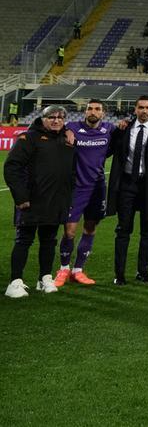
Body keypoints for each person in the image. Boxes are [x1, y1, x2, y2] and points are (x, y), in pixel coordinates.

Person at [5, 106, 76, 298]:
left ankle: (44, 278)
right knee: (24, 241)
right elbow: (11, 168)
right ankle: (15, 282)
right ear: (42, 118)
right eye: (51, 117)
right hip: (30, 202)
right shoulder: (28, 138)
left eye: (60, 118)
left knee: (49, 242)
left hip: (56, 201)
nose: (56, 120)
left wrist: (67, 199)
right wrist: (21, 198)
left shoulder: (67, 139)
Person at [107, 96, 148, 284]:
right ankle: (119, 275)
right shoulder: (123, 129)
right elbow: (111, 149)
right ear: (135, 109)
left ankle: (143, 272)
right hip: (127, 185)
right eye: (141, 107)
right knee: (123, 230)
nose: (144, 111)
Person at [53, 98, 111, 287]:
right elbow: (48, 125)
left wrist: (124, 124)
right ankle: (63, 268)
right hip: (76, 188)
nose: (93, 111)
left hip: (97, 187)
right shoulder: (71, 126)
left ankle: (78, 270)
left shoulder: (110, 130)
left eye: (97, 109)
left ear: (103, 113)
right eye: (89, 109)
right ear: (85, 112)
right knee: (69, 230)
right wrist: (66, 131)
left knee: (90, 227)